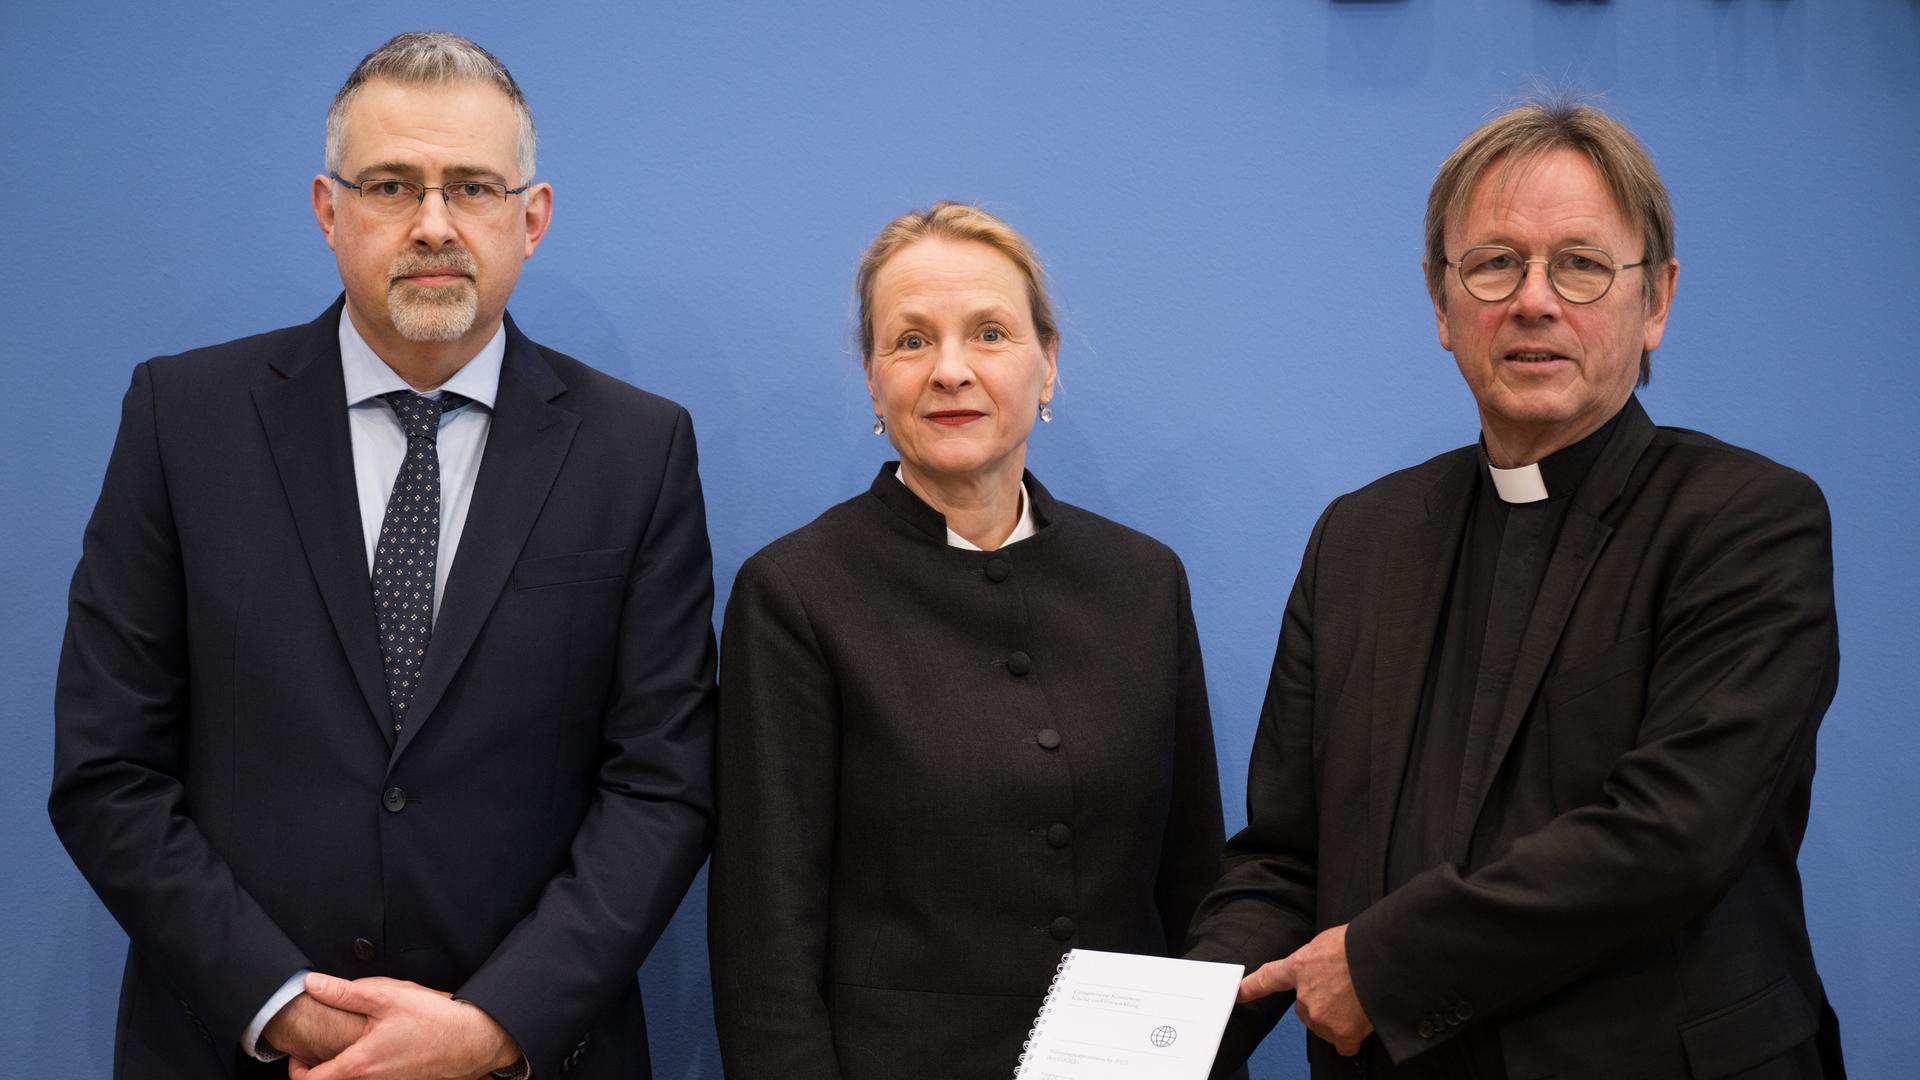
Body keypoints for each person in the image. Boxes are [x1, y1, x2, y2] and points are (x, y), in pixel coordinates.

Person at [48, 32, 716, 1079]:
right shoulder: (184, 419)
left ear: (529, 219)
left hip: (530, 1056)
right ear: (329, 210)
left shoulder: (638, 449)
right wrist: (288, 1008)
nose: (435, 225)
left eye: (474, 187)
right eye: (393, 185)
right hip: (241, 1051)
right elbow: (108, 770)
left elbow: (663, 788)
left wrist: (497, 1024)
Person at [1187, 100, 1844, 1079]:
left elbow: (1673, 836)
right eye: (1494, 263)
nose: (1534, 300)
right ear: (1441, 302)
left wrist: (1381, 963)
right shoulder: (1356, 540)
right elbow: (1284, 859)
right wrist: (1172, 1037)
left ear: (1656, 298)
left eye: (1580, 263)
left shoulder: (1748, 520)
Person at [708, 201, 1227, 1079]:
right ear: (873, 379)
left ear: (1047, 365)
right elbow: (766, 935)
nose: (950, 370)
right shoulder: (795, 594)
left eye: (989, 333)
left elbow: (1194, 883)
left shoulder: (1143, 581)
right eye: (911, 342)